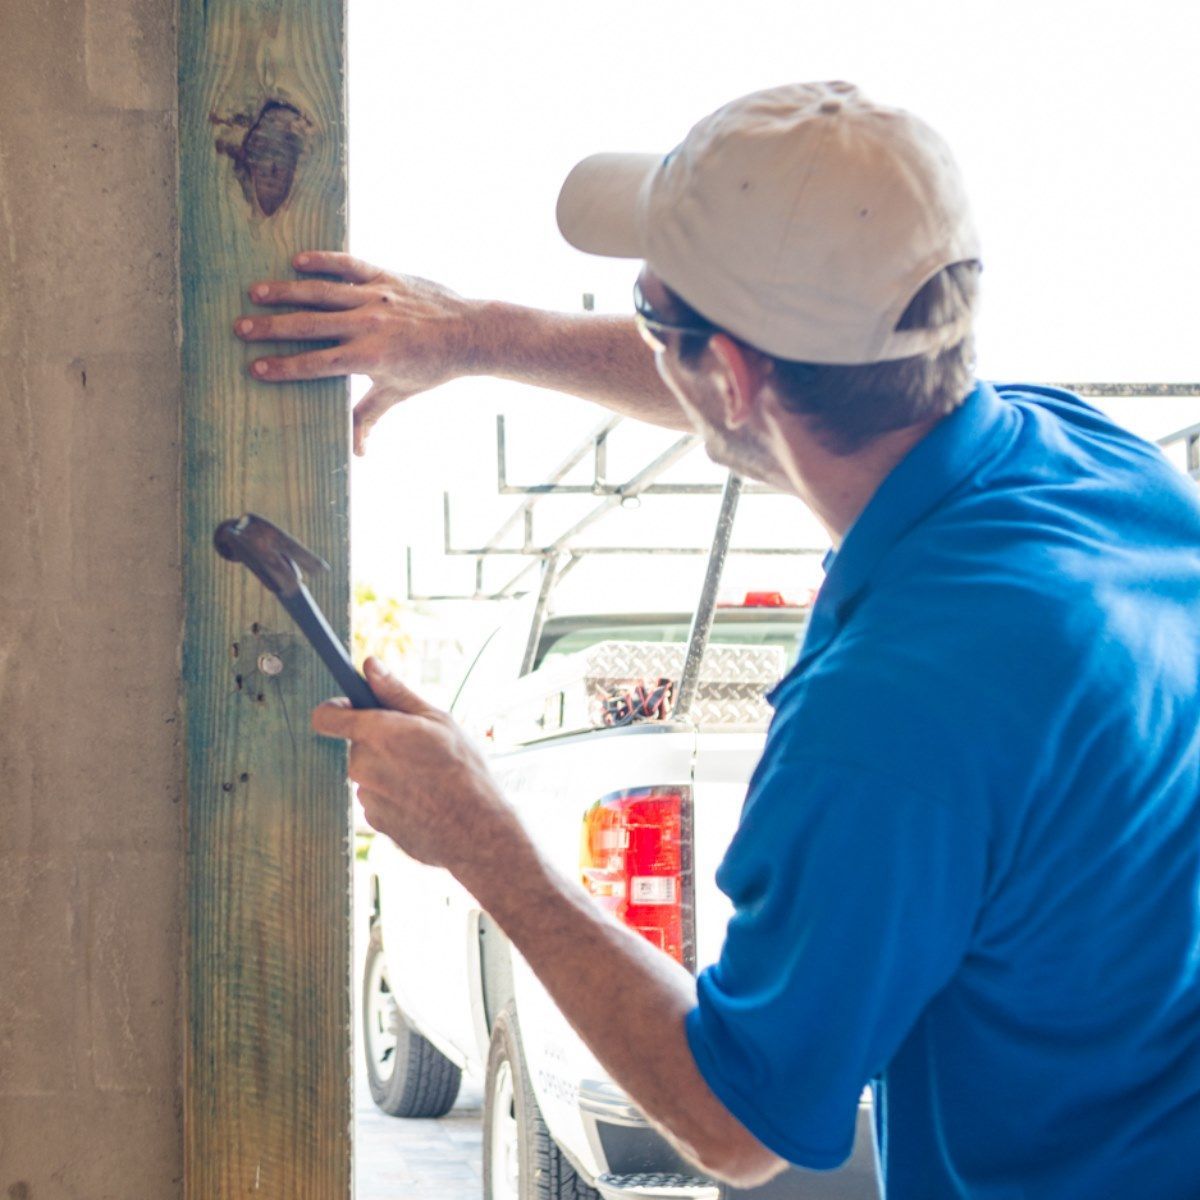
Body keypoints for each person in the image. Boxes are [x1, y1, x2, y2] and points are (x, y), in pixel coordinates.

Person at [236, 83, 1200, 1196]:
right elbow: (787, 404)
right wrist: (470, 336)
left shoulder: (890, 711)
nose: (653, 352)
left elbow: (743, 1124)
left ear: (733, 377)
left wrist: (484, 841)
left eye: (655, 321)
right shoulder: (1087, 462)